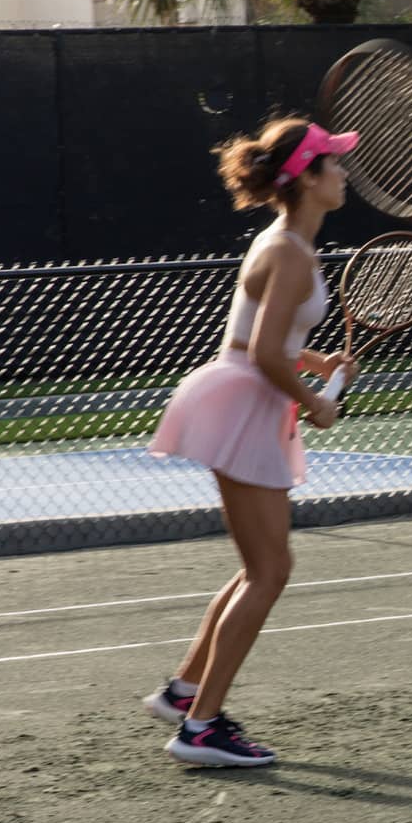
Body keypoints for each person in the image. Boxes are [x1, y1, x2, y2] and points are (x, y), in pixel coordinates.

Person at [143, 117, 355, 767]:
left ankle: (184, 693)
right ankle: (200, 728)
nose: (345, 173)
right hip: (242, 402)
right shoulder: (290, 250)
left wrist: (313, 365)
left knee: (257, 567)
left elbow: (267, 340)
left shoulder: (291, 243)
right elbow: (264, 352)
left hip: (243, 395)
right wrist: (314, 399)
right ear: (310, 178)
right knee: (271, 571)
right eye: (335, 164)